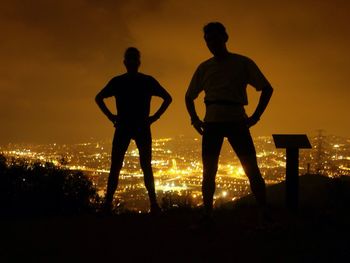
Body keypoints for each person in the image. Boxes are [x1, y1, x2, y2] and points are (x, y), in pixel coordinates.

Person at [185, 22, 273, 222]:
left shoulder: (234, 64)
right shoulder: (222, 65)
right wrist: (255, 116)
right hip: (228, 121)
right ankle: (260, 212)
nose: (211, 44)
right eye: (208, 40)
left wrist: (195, 119)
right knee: (234, 169)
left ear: (224, 38)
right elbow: (188, 97)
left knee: (243, 169)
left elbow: (189, 97)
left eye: (214, 39)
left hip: (221, 121)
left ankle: (210, 214)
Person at [95, 47, 172, 214]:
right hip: (141, 126)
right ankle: (154, 205)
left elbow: (98, 98)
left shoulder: (118, 81)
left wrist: (111, 116)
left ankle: (107, 205)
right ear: (139, 62)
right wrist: (153, 118)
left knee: (116, 166)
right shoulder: (147, 81)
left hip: (123, 126)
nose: (131, 63)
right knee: (145, 166)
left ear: (126, 63)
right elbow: (168, 98)